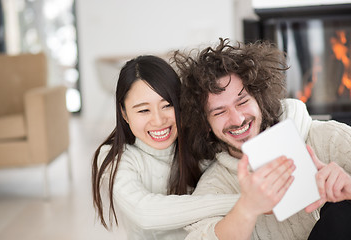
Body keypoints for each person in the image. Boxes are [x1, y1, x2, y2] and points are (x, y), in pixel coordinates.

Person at [172, 38, 351, 240]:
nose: (237, 119)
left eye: (242, 102)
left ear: (259, 99)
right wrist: (247, 207)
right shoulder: (215, 187)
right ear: (205, 123)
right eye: (219, 112)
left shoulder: (328, 138)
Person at [92, 55, 262, 240]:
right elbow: (145, 213)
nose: (158, 121)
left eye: (167, 105)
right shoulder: (114, 157)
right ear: (124, 113)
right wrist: (248, 202)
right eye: (143, 110)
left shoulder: (199, 143)